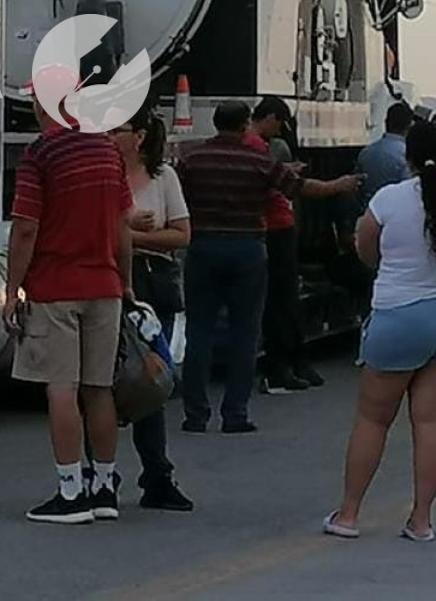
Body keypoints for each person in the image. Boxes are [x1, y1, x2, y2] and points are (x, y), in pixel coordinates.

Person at [179, 101, 360, 434]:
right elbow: (299, 188)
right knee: (245, 333)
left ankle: (195, 413)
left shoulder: (192, 159)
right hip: (247, 249)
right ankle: (235, 414)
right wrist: (339, 185)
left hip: (202, 248)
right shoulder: (259, 160)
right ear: (245, 124)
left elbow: (181, 200)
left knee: (199, 333)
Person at [4, 70, 134, 525]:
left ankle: (70, 491)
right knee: (99, 388)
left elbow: (25, 229)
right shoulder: (106, 149)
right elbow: (122, 227)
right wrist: (127, 281)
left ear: (43, 105)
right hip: (106, 286)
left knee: (62, 387)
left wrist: (11, 290)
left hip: (56, 287)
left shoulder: (41, 154)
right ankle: (105, 485)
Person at [325, 120, 436, 542]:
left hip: (396, 314)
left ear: (408, 153)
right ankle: (422, 520)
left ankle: (349, 515)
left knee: (373, 419)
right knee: (429, 423)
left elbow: (364, 248)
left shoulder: (390, 199)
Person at [106, 106, 194, 511]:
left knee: (149, 382)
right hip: (108, 285)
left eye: (117, 129)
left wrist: (136, 239)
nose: (109, 136)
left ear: (139, 136)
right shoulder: (100, 177)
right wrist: (124, 232)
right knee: (98, 384)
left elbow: (181, 235)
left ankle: (157, 474)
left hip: (151, 290)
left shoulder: (163, 179)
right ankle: (100, 472)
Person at [246, 96, 334, 393]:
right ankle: (282, 365)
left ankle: (292, 361)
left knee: (284, 298)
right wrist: (337, 185)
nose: (280, 130)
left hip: (277, 226)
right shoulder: (258, 147)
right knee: (280, 299)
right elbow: (285, 185)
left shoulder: (260, 147)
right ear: (269, 118)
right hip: (274, 227)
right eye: (279, 123)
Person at [356, 102, 415, 209]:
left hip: (368, 212)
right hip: (397, 213)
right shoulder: (407, 155)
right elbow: (410, 193)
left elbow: (357, 187)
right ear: (409, 126)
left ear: (386, 123)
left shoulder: (365, 153)